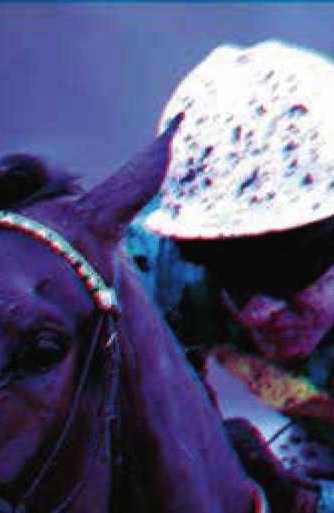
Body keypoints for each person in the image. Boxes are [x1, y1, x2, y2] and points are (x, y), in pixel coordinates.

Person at [132, 40, 334, 513]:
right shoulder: (169, 266)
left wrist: (308, 505)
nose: (256, 313)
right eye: (228, 272)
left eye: (287, 271)